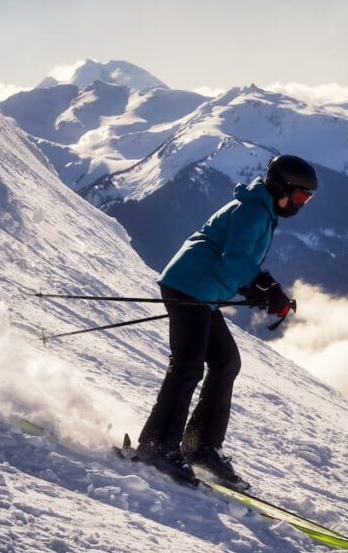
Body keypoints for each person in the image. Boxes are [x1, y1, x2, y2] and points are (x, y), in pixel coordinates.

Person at [136, 154, 318, 487]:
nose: (302, 204)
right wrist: (265, 286)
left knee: (225, 362)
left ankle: (201, 446)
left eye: (307, 198)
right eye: (300, 196)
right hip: (189, 285)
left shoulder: (261, 209)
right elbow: (234, 257)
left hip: (201, 289)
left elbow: (237, 259)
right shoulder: (253, 210)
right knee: (188, 365)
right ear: (282, 187)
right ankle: (158, 446)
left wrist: (257, 287)